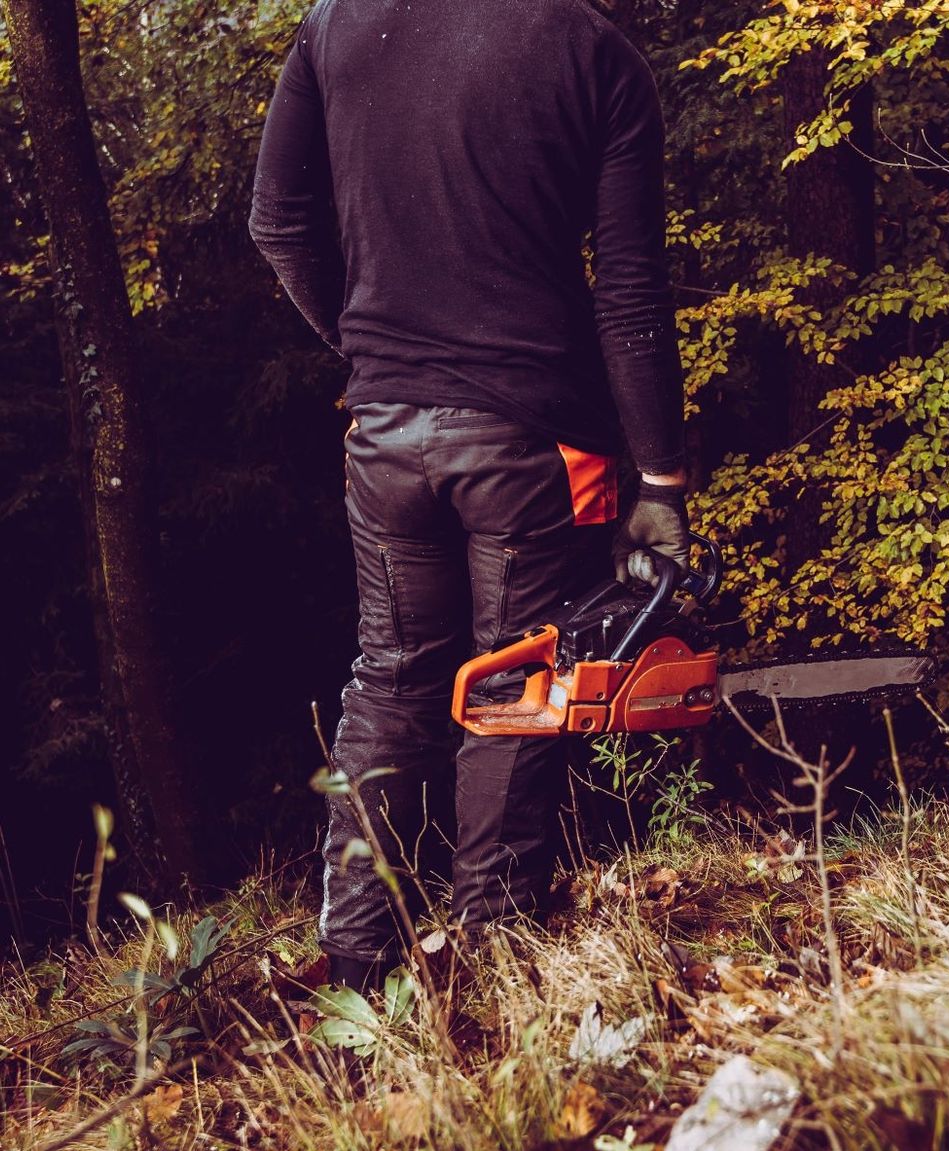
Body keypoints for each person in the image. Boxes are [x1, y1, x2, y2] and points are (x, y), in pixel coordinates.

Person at [249, 0, 689, 990]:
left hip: (384, 430)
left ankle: (359, 969)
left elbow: (277, 226)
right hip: (530, 440)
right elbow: (629, 286)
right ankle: (494, 965)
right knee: (511, 681)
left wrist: (370, 350)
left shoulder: (335, 24)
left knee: (392, 675)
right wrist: (659, 476)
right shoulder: (594, 51)